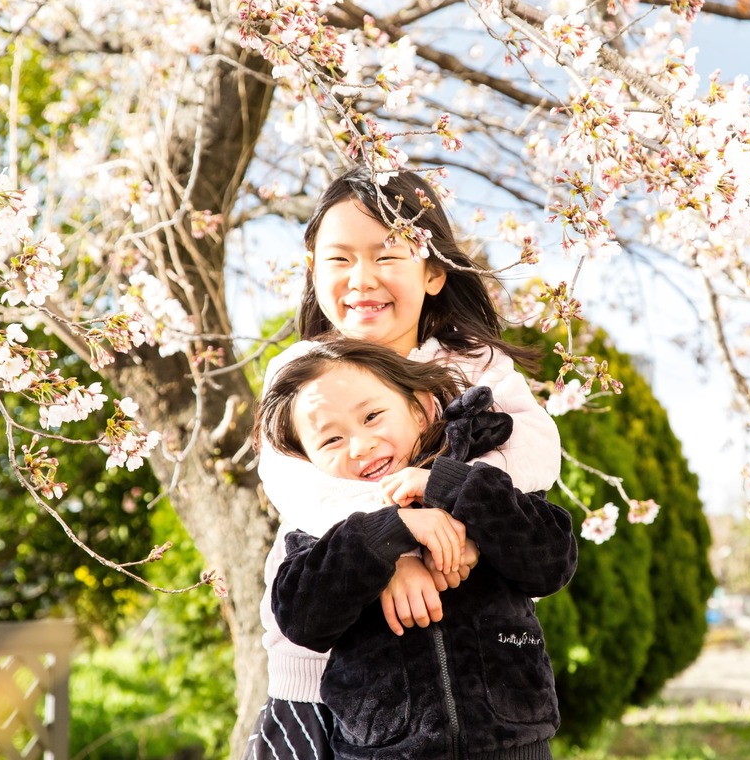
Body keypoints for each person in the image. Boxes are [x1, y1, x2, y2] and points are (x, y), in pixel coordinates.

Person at [244, 166, 562, 757]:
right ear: (312, 269)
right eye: (339, 259)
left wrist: (457, 516)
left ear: (434, 271)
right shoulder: (301, 375)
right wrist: (397, 541)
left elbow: (535, 450)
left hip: (478, 661)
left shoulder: (473, 364)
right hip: (322, 663)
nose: (361, 278)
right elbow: (300, 488)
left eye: (387, 255)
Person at [256, 339, 578, 759]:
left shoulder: (482, 476)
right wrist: (389, 533)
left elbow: (553, 559)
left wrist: (449, 486)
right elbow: (301, 619)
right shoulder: (321, 529)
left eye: (372, 416)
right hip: (385, 750)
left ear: (421, 410)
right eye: (331, 439)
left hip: (513, 743)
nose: (360, 445)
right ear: (307, 460)